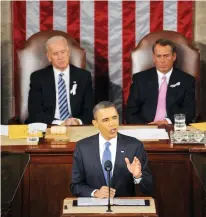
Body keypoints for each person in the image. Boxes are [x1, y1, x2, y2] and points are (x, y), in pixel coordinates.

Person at [70, 101, 153, 198]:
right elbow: (75, 186)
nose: (112, 124)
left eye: (114, 118)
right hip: (94, 208)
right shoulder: (83, 147)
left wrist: (138, 176)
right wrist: (95, 193)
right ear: (95, 123)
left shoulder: (134, 146)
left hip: (124, 208)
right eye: (106, 120)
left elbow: (149, 188)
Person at [25, 35, 94, 125]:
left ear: (68, 53)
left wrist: (77, 121)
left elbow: (89, 110)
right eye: (55, 53)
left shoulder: (83, 76)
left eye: (63, 52)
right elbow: (35, 112)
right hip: (49, 126)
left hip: (76, 126)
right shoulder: (38, 78)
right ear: (49, 57)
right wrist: (60, 123)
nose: (60, 57)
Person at [126, 38, 196, 125]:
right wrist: (145, 126)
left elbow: (190, 111)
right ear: (154, 57)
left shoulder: (187, 80)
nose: (162, 61)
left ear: (174, 56)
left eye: (166, 56)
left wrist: (168, 121)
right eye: (159, 56)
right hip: (145, 127)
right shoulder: (140, 79)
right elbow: (130, 111)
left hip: (173, 126)